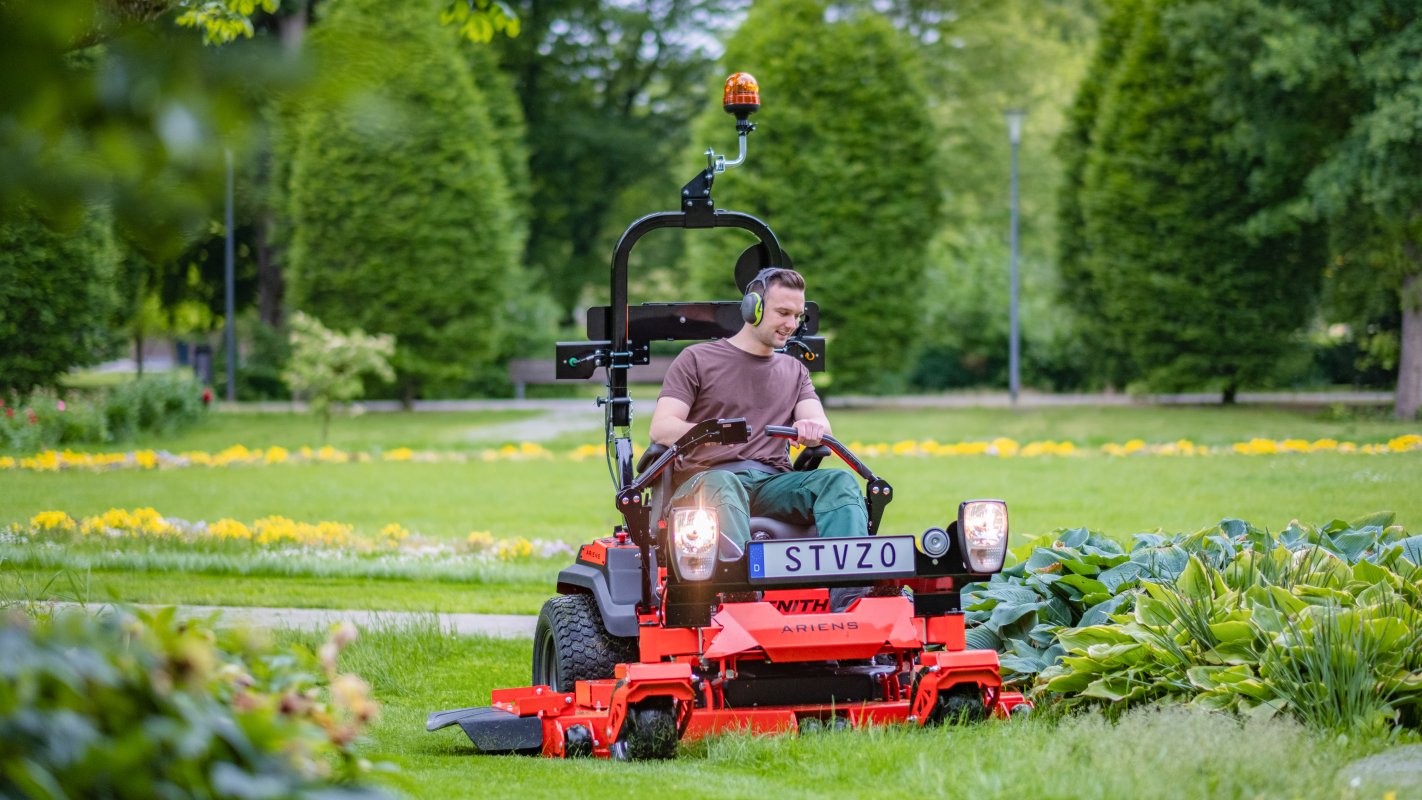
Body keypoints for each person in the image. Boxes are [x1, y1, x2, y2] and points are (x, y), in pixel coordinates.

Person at [648, 267, 869, 564]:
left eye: (797, 316)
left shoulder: (795, 371)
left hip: (772, 483)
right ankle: (740, 596)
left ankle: (852, 591)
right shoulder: (697, 359)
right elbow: (662, 428)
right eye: (783, 313)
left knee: (839, 482)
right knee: (723, 483)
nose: (791, 324)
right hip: (708, 481)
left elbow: (821, 424)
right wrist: (710, 433)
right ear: (753, 308)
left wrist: (811, 427)